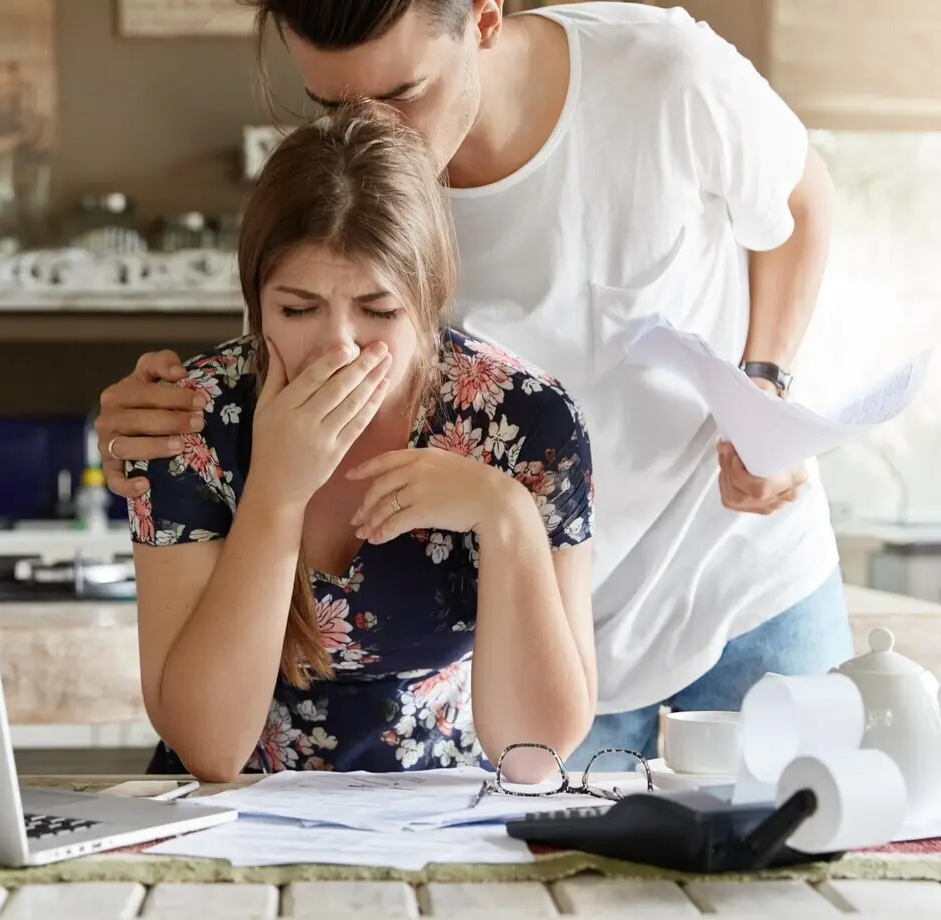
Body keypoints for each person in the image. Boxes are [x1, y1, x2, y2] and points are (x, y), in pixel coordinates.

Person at [97, 1, 849, 765]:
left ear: (484, 19)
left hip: (728, 562)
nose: (369, 135)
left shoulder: (662, 75)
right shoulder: (347, 203)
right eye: (330, 105)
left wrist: (766, 385)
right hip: (530, 624)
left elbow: (801, 202)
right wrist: (160, 428)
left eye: (399, 96)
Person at [128, 100, 598, 782]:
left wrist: (507, 516)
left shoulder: (528, 423)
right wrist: (277, 493)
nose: (338, 345)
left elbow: (537, 754)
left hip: (443, 813)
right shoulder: (189, 422)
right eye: (297, 309)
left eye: (378, 311)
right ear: (254, 299)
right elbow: (209, 749)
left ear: (431, 299)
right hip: (230, 818)